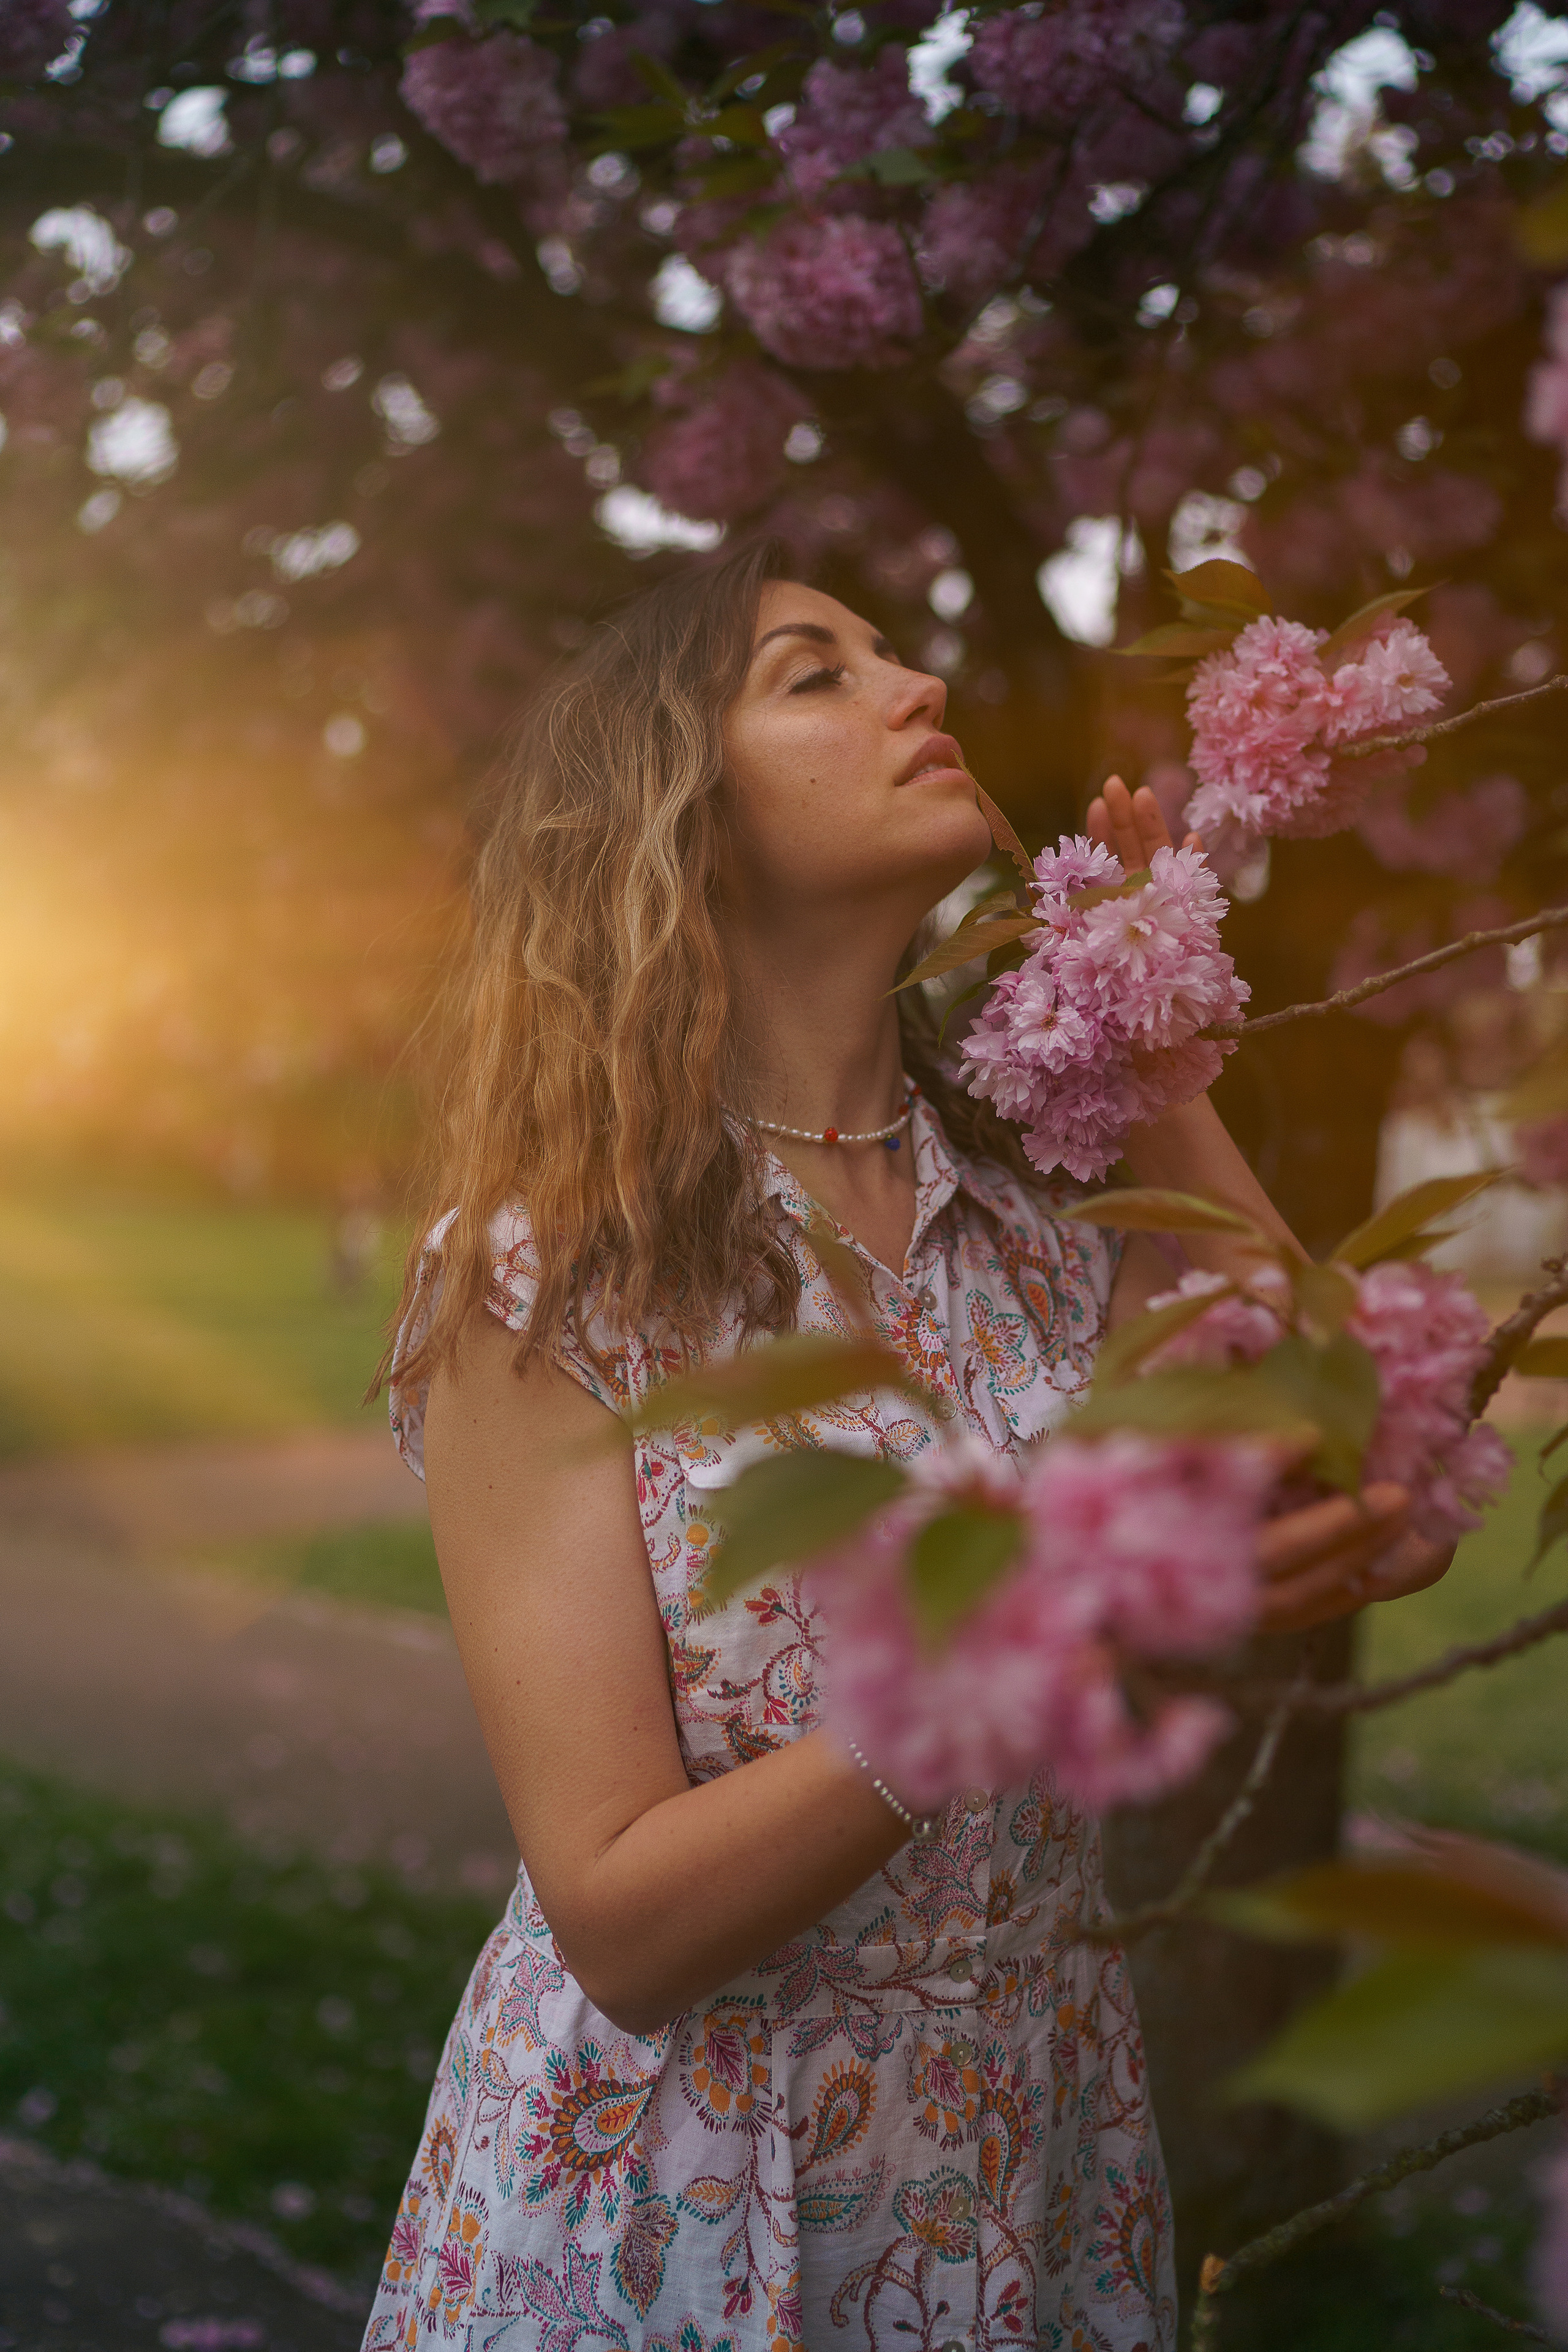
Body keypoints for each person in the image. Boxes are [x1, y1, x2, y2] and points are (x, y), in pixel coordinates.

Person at [364, 540, 1450, 2351]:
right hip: (689, 2192)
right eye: (817, 672)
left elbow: (1369, 1494)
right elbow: (622, 1918)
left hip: (1025, 2141)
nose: (920, 686)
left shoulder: (1043, 1215)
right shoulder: (548, 1273)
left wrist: (1159, 1066)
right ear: (675, 818)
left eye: (894, 651)